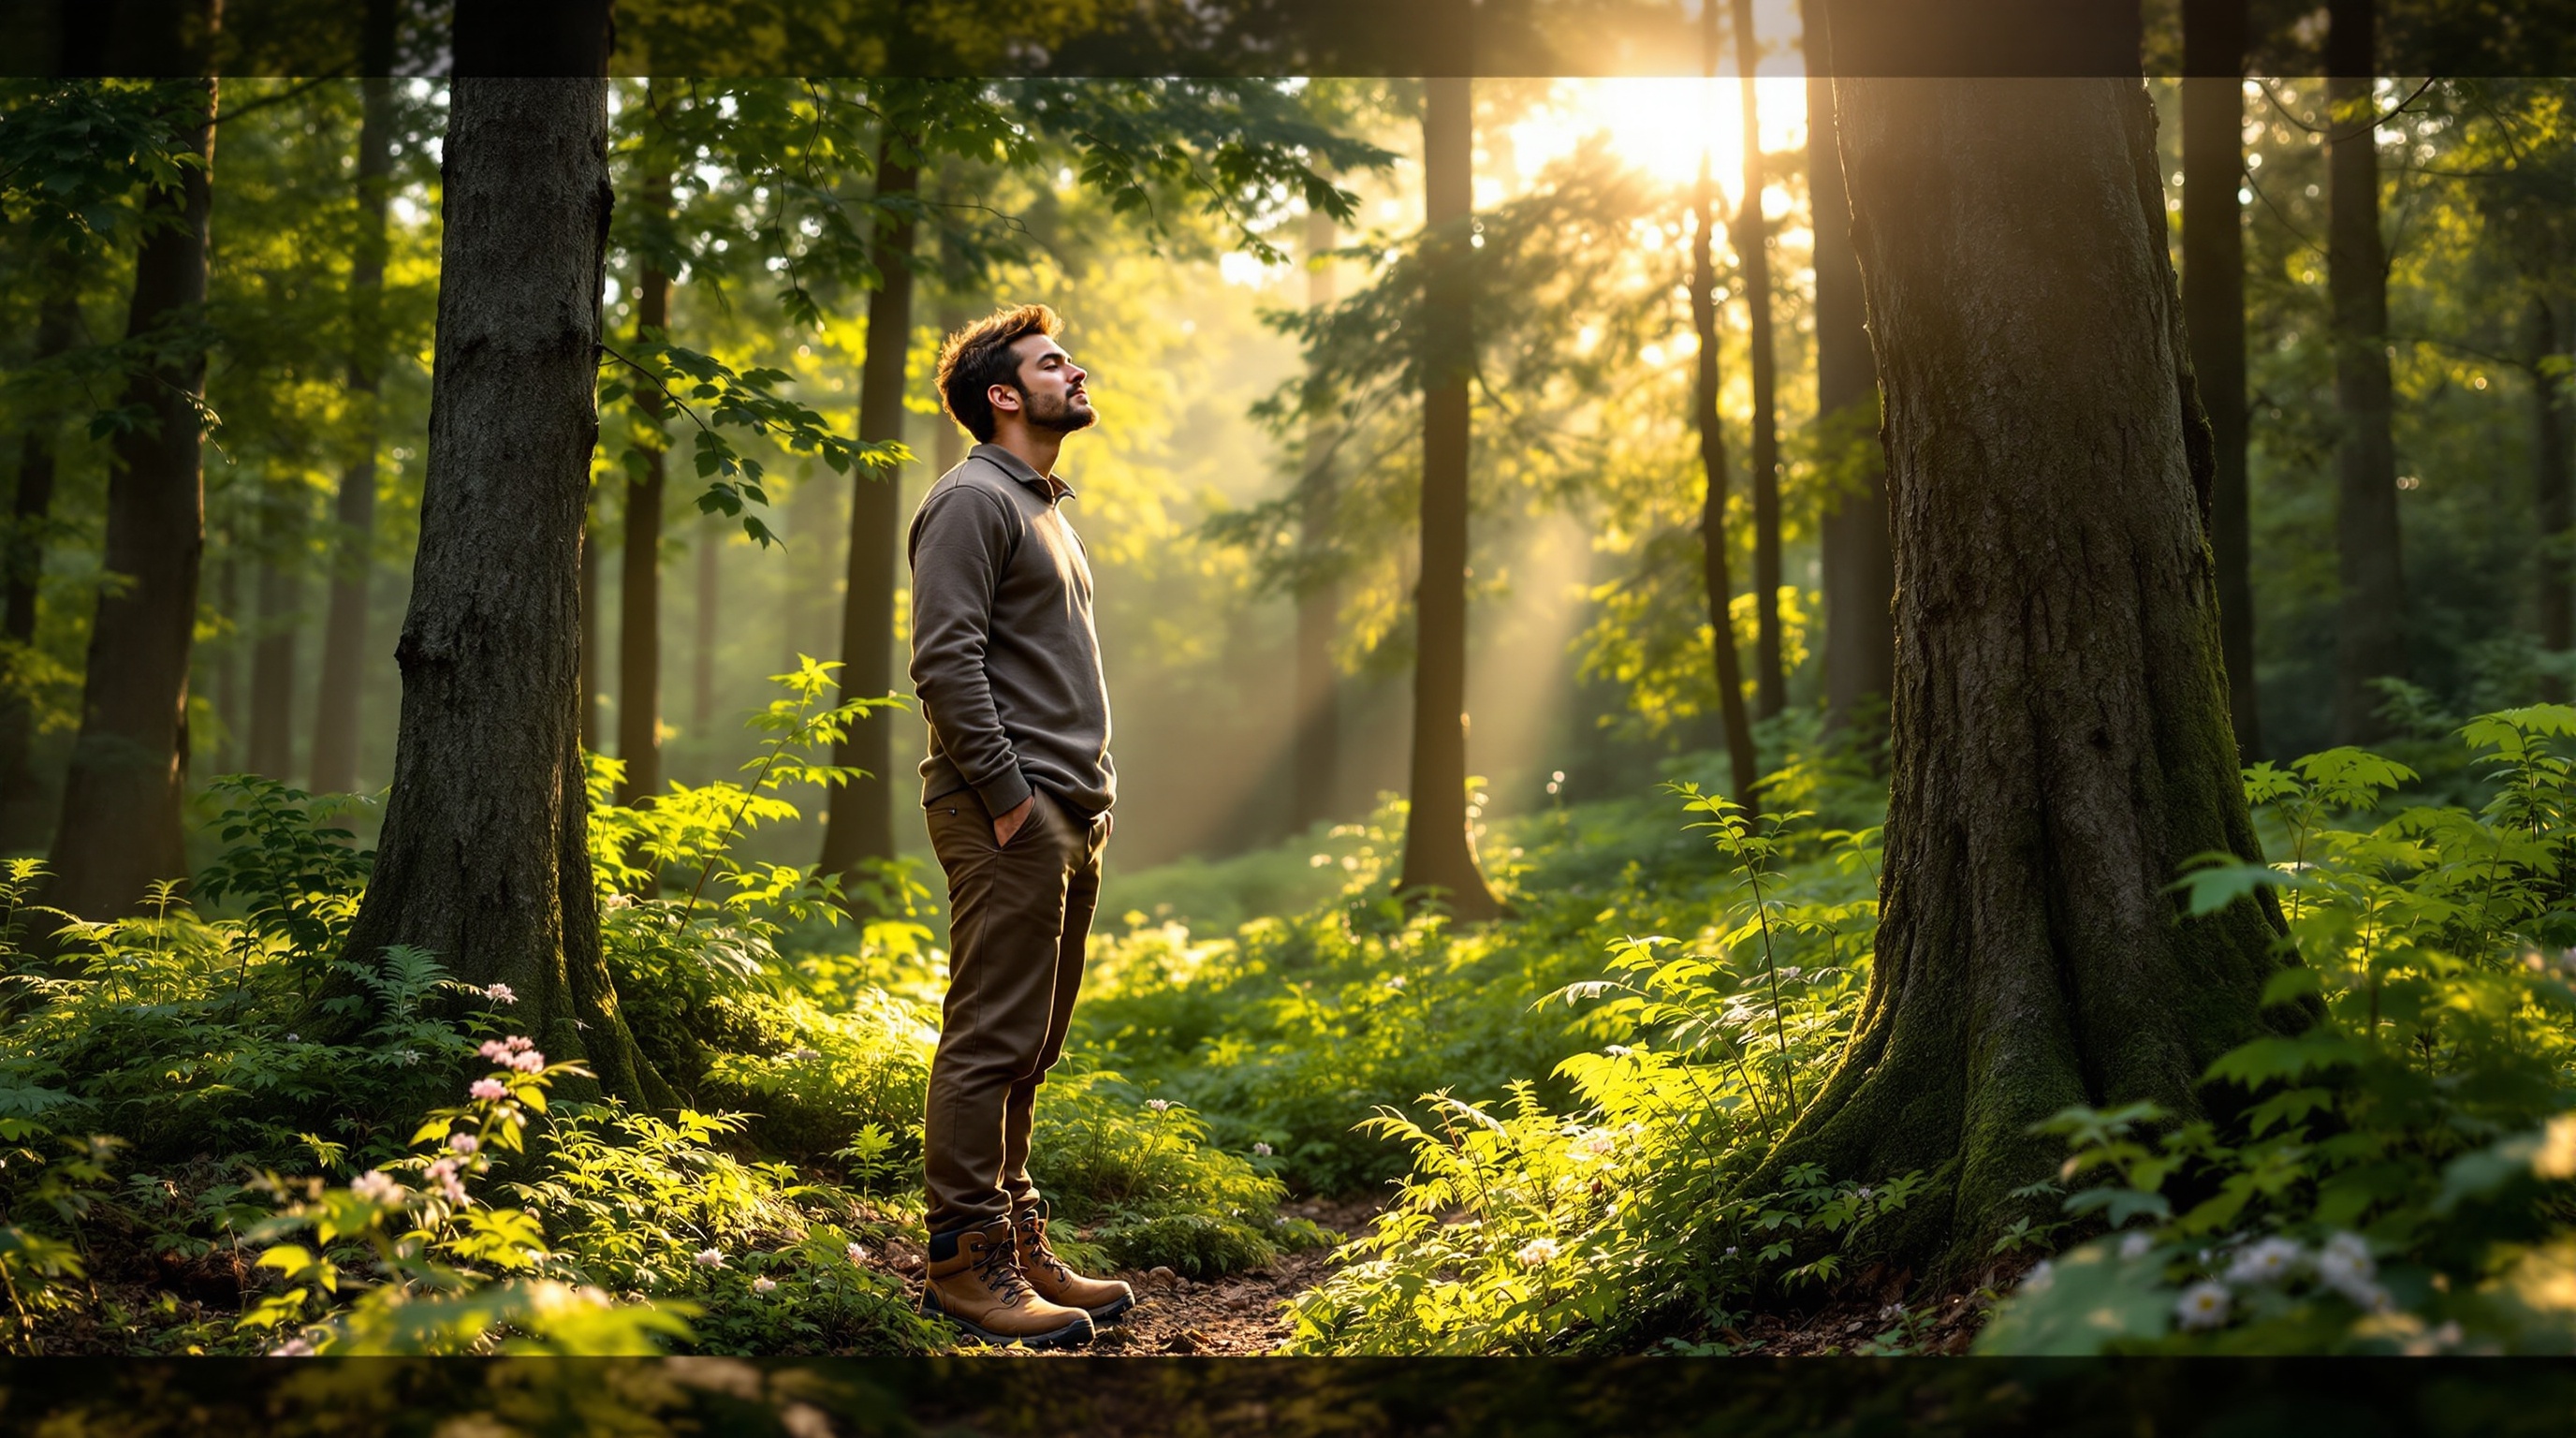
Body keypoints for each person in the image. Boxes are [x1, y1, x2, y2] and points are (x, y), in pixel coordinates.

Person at [907, 304, 1133, 1348]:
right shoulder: (969, 501)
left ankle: (1016, 1233)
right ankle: (962, 1257)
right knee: (989, 1033)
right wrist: (1010, 800)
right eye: (1053, 363)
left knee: (1030, 1045)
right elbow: (944, 663)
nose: (1074, 370)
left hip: (1066, 809)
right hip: (1008, 808)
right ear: (1004, 395)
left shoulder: (1045, 504)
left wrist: (1083, 797)